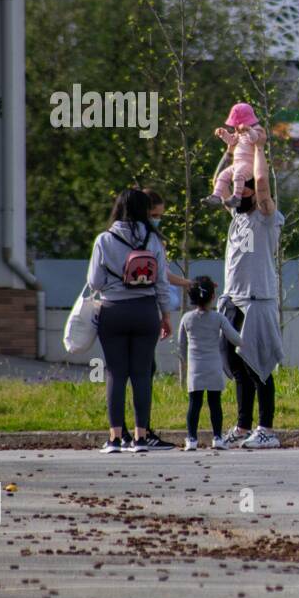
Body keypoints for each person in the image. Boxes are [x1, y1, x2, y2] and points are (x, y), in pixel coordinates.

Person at [86, 188, 173, 454]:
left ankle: (114, 439)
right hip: (146, 311)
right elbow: (162, 282)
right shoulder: (153, 240)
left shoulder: (104, 239)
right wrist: (165, 314)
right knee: (141, 374)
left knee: (115, 373)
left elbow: (94, 282)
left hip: (113, 311)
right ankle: (141, 438)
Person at [217, 122, 285, 449]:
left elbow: (260, 184)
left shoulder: (264, 216)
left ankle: (267, 429)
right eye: (237, 186)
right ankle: (243, 427)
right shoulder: (237, 215)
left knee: (259, 365)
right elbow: (227, 178)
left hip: (257, 300)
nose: (241, 190)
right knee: (237, 367)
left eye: (244, 188)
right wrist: (233, 148)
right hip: (233, 300)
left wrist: (258, 145)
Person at [177, 276, 241, 451]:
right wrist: (247, 343)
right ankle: (218, 438)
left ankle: (191, 439)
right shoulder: (218, 318)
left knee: (194, 404)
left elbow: (181, 345)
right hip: (213, 366)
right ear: (213, 297)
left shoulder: (187, 318)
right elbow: (234, 338)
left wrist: (185, 360)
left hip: (195, 368)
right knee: (215, 403)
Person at [206, 103, 266, 209]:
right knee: (223, 175)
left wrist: (248, 130)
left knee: (238, 175)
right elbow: (232, 141)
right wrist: (223, 134)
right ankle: (216, 196)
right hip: (237, 163)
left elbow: (255, 139)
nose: (235, 127)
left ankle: (236, 197)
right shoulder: (238, 132)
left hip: (248, 164)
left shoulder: (257, 129)